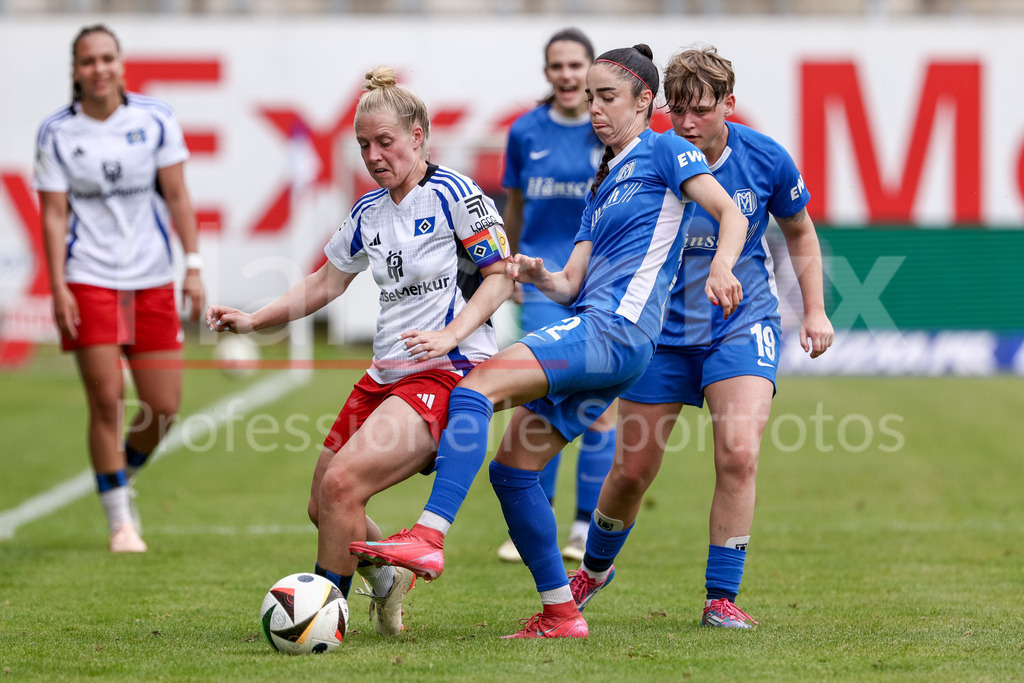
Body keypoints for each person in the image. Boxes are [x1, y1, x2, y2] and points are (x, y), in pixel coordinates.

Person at [350, 44, 749, 639]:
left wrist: (722, 267)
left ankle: (429, 534)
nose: (595, 109)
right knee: (513, 466)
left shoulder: (666, 148)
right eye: (591, 98)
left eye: (607, 97)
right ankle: (562, 614)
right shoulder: (604, 181)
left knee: (474, 385)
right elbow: (570, 285)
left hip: (616, 331)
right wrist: (540, 276)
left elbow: (730, 214)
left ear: (645, 101)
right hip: (607, 339)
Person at [206, 66, 512, 637]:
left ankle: (322, 623)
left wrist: (452, 334)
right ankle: (387, 579)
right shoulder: (368, 212)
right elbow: (325, 284)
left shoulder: (456, 196)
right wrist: (254, 319)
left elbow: (500, 277)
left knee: (343, 484)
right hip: (384, 374)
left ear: (418, 136)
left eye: (385, 142)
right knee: (324, 505)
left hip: (446, 371)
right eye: (364, 145)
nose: (373, 155)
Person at [568, 44, 835, 629]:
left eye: (701, 111)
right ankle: (593, 569)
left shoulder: (765, 158)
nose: (687, 124)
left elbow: (800, 230)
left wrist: (813, 310)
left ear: (728, 106)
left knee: (739, 454)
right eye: (677, 112)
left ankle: (721, 596)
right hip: (660, 334)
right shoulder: (648, 160)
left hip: (741, 325)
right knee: (631, 473)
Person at [34, 24, 205, 553]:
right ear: (75, 70)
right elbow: (54, 214)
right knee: (106, 400)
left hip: (151, 278)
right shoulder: (57, 132)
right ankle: (119, 521)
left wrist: (192, 265)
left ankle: (119, 476)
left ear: (121, 64)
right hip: (88, 278)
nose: (99, 69)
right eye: (88, 61)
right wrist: (58, 285)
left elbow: (177, 195)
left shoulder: (154, 119)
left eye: (107, 58)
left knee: (163, 406)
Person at [497, 27, 615, 564]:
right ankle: (534, 524)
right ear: (547, 73)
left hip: (599, 284)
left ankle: (582, 527)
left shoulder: (611, 131)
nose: (566, 76)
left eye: (575, 66)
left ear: (591, 73)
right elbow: (516, 208)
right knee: (538, 401)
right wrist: (509, 267)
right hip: (544, 283)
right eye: (557, 66)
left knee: (599, 410)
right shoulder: (525, 132)